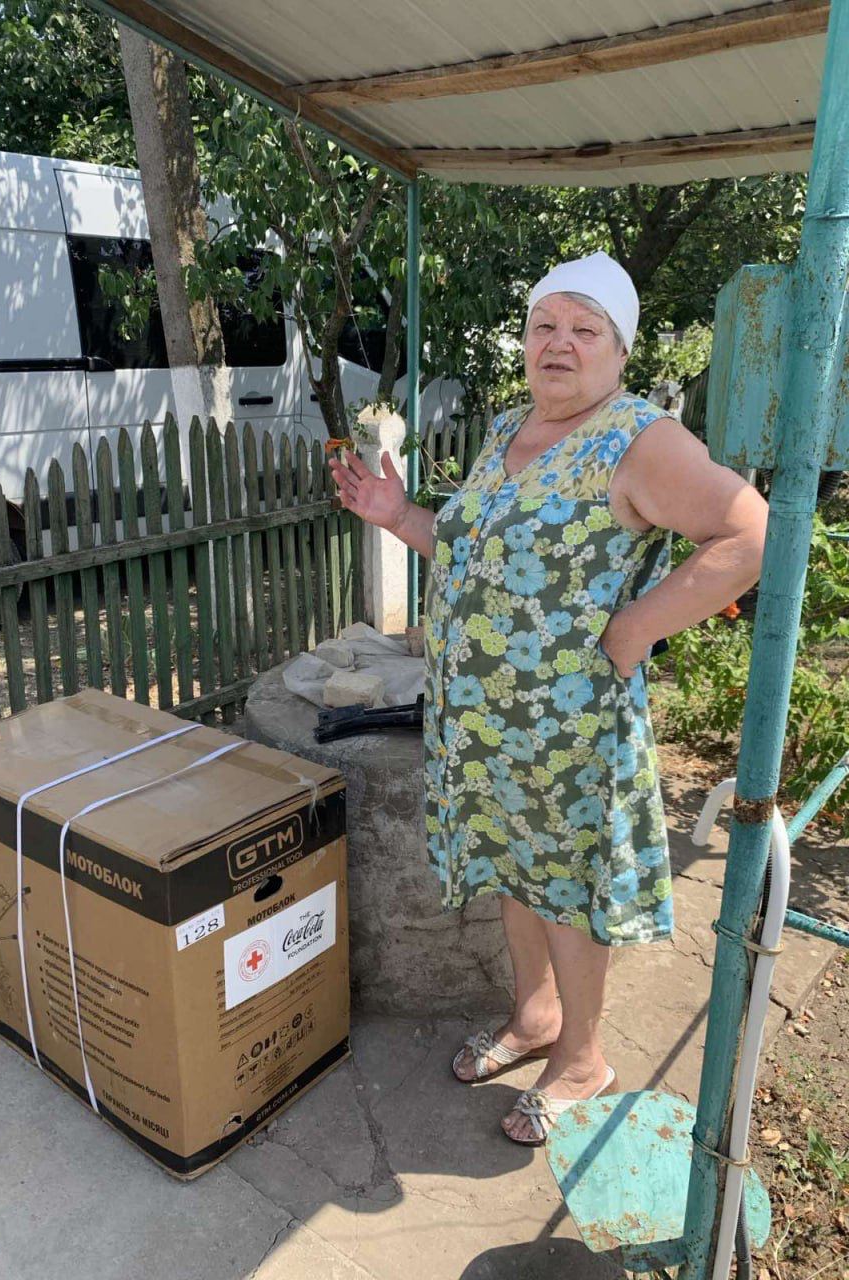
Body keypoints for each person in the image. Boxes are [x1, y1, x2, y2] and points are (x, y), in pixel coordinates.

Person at [328, 251, 767, 1145]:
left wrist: (636, 629)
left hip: (570, 728)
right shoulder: (511, 428)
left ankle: (583, 1058)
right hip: (483, 721)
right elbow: (472, 551)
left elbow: (749, 533)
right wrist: (398, 517)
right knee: (512, 870)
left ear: (620, 349)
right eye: (544, 325)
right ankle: (533, 1018)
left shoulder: (640, 438)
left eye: (584, 328)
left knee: (566, 889)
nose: (558, 343)